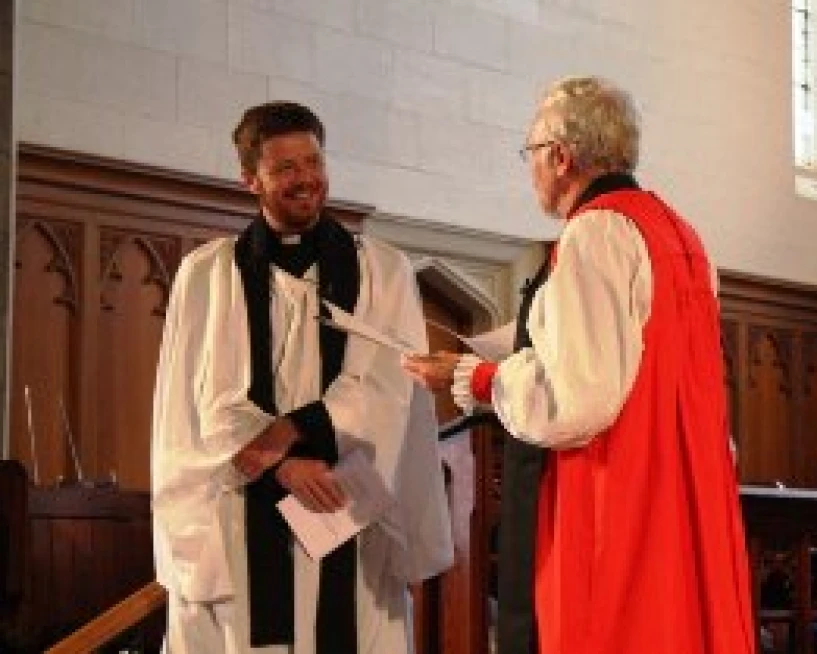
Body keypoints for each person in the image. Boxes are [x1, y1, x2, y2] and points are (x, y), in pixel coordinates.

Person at [404, 76, 755, 654]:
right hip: (677, 488)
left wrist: (476, 379)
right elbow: (624, 346)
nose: (531, 170)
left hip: (615, 493)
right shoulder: (676, 231)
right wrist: (486, 348)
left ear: (561, 156)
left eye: (531, 155)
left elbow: (579, 397)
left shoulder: (594, 233)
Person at [151, 101, 453, 654]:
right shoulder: (209, 275)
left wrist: (291, 434)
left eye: (312, 161)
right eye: (284, 168)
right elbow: (202, 404)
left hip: (345, 506)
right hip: (245, 518)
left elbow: (389, 390)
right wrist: (283, 466)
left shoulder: (382, 270)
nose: (305, 179)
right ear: (250, 180)